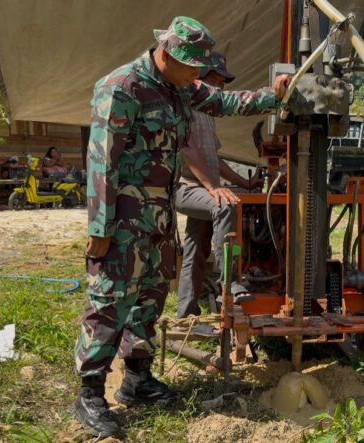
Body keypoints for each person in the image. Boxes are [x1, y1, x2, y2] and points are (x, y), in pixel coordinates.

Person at [73, 16, 291, 438]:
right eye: (192, 66)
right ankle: (90, 392)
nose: (198, 76)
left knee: (150, 297)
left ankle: (137, 378)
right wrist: (99, 229)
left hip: (158, 217)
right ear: (167, 54)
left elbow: (225, 102)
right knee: (109, 300)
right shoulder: (122, 88)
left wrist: (273, 95)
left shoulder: (180, 88)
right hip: (122, 220)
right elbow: (101, 163)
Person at [174, 53, 263, 336]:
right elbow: (187, 152)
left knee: (195, 251)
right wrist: (213, 189)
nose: (219, 88)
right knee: (225, 207)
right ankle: (229, 279)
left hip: (204, 190)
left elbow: (216, 158)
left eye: (222, 84)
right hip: (186, 187)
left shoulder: (209, 115)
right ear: (201, 77)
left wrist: (243, 183)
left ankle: (186, 317)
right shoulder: (185, 106)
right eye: (216, 80)